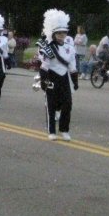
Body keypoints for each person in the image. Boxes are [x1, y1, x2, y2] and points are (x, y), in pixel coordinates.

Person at [36, 9, 78, 141]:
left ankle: (64, 130)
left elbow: (72, 67)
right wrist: (44, 80)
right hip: (52, 77)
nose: (62, 35)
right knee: (51, 105)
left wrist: (75, 81)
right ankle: (52, 131)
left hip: (65, 79)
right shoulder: (48, 48)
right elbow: (44, 66)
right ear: (53, 34)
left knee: (67, 104)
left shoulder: (70, 48)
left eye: (64, 32)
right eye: (59, 33)